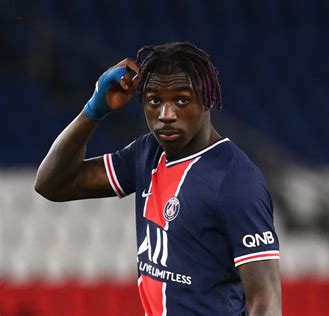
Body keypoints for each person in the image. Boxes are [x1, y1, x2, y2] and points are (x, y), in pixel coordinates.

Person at [35, 42, 281, 315]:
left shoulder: (235, 181)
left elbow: (266, 303)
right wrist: (94, 109)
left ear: (208, 99)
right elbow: (52, 183)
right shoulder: (147, 153)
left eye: (181, 100)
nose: (166, 115)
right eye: (154, 101)